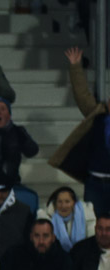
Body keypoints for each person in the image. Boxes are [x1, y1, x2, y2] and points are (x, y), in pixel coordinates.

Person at [49, 47, 110, 217]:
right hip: (95, 183)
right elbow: (82, 94)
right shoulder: (97, 114)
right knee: (92, 224)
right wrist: (75, 67)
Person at [0, 97, 38, 184]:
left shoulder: (17, 131)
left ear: (9, 115)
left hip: (11, 181)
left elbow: (32, 151)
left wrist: (23, 139)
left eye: (2, 109)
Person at [37, 186, 97, 252]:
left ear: (74, 203)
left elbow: (92, 242)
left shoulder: (86, 214)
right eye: (60, 202)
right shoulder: (47, 216)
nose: (63, 206)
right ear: (55, 203)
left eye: (67, 202)